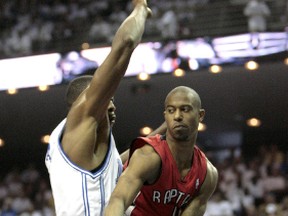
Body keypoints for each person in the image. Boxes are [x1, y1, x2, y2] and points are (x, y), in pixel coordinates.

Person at [45, 1, 152, 215]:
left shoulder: (86, 143)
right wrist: (141, 9)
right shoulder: (81, 121)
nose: (112, 105)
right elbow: (125, 43)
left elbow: (112, 166)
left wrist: (161, 136)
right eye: (107, 98)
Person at [105, 86, 218, 216]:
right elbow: (118, 200)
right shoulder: (148, 156)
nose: (177, 116)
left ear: (200, 115)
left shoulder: (208, 175)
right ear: (165, 116)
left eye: (184, 109)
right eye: (171, 110)